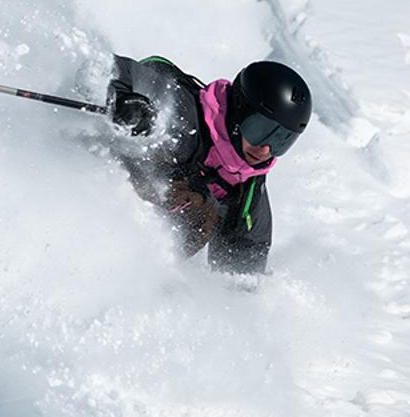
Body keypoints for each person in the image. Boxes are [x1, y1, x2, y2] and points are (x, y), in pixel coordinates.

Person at [106, 55, 311, 274]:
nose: (266, 150)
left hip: (127, 254)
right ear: (239, 111)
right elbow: (111, 67)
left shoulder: (247, 194)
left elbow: (241, 279)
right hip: (104, 178)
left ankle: (136, 274)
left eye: (281, 140)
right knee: (200, 209)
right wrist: (122, 97)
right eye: (261, 130)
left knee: (202, 214)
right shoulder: (180, 112)